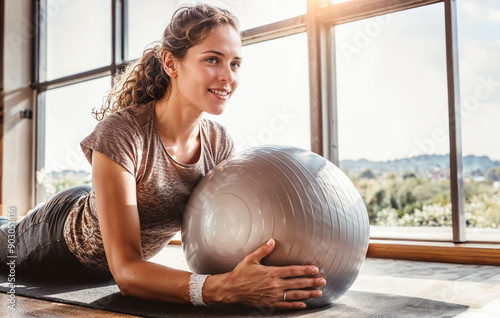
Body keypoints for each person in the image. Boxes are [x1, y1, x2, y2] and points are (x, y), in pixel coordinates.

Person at [0, 4, 325, 309]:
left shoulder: (218, 141)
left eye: (235, 63)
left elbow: (225, 231)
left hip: (102, 217)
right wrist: (225, 288)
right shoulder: (123, 132)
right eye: (213, 59)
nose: (228, 77)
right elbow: (127, 273)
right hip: (57, 238)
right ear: (171, 64)